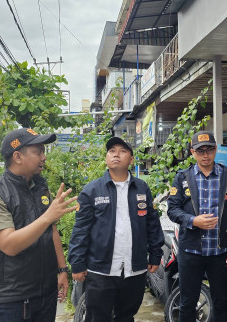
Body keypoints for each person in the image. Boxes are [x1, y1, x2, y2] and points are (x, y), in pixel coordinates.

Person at [0, 128, 78, 321]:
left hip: (44, 294)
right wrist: (47, 217)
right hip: (9, 301)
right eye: (38, 152)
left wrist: (62, 270)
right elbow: (10, 245)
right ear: (18, 156)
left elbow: (51, 230)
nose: (44, 157)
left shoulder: (39, 189)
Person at [68, 136, 164, 322]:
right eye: (112, 151)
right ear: (106, 158)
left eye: (122, 151)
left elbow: (152, 224)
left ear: (131, 159)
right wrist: (77, 263)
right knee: (97, 317)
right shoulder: (92, 190)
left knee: (126, 316)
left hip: (133, 269)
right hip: (101, 270)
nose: (116, 155)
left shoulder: (142, 188)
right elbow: (81, 230)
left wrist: (155, 254)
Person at [166, 131, 227, 322]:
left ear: (216, 150)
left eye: (209, 150)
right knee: (187, 303)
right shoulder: (183, 177)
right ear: (193, 152)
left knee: (221, 302)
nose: (205, 155)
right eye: (200, 151)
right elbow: (172, 210)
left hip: (221, 252)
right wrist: (193, 221)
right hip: (191, 251)